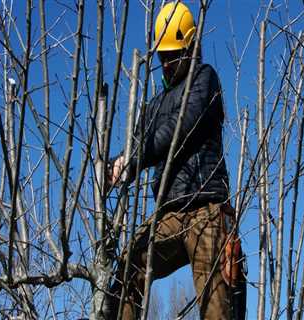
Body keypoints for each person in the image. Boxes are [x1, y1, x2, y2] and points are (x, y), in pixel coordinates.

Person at [106, 2, 246, 319]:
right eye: (163, 57)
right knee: (129, 264)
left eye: (174, 55)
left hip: (206, 208)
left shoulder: (204, 79)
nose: (167, 64)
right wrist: (115, 165)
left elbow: (182, 124)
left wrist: (135, 157)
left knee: (216, 305)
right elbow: (137, 145)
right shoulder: (153, 106)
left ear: (191, 46)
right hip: (168, 212)